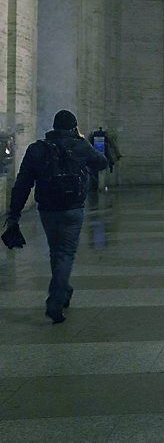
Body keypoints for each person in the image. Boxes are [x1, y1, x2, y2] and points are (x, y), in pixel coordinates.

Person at [5, 110, 108, 323]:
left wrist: (14, 215)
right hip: (73, 208)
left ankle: (64, 289)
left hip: (48, 210)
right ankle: (56, 299)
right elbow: (102, 162)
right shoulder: (80, 145)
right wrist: (80, 141)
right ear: (73, 128)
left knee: (57, 251)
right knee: (65, 253)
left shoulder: (37, 149)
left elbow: (23, 184)